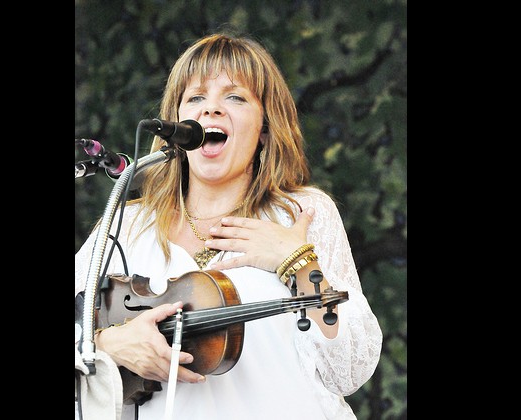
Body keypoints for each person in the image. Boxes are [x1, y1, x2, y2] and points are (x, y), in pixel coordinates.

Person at [75, 32, 383, 420]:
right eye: (196, 98)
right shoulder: (127, 223)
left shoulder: (300, 213)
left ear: (266, 127)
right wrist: (107, 344)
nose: (211, 111)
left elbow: (349, 370)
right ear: (175, 127)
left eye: (234, 97)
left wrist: (298, 261)